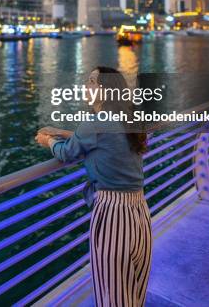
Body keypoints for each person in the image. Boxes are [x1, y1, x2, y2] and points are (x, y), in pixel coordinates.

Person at [35, 66, 152, 307]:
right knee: (134, 291)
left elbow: (67, 153)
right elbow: (98, 137)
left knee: (113, 295)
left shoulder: (96, 123)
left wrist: (49, 140)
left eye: (91, 82)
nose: (85, 86)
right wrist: (63, 131)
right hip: (139, 212)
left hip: (112, 214)